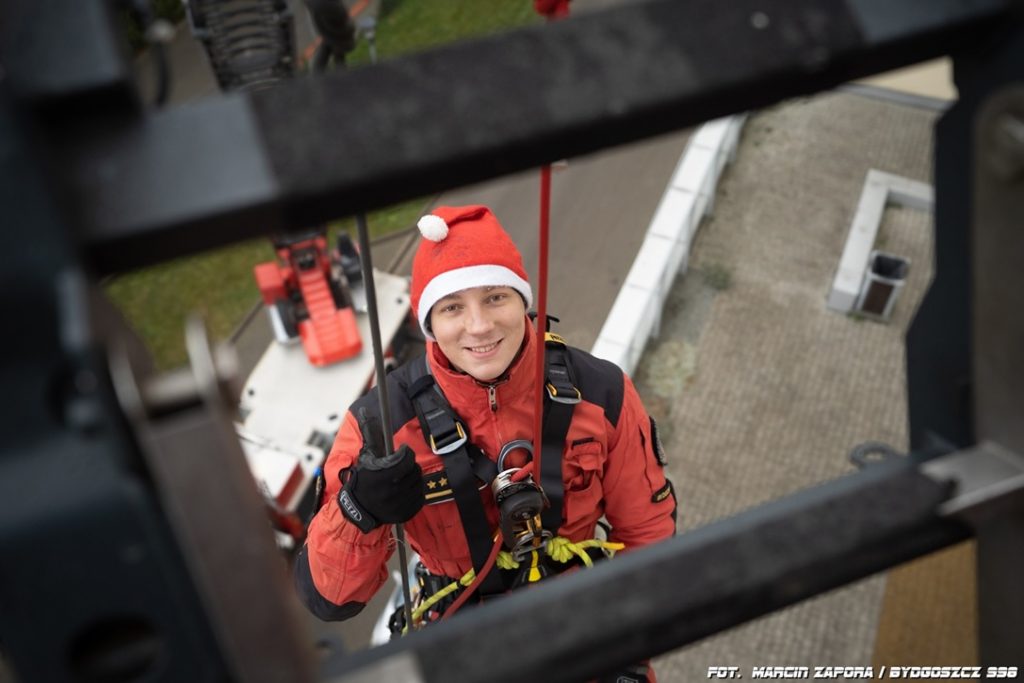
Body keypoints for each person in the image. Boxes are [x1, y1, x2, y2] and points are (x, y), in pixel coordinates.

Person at [294, 205, 676, 679]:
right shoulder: (381, 426)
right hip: (461, 640)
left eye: (496, 297)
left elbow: (647, 537)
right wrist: (359, 511)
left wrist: (625, 638)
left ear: (524, 303)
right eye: (452, 307)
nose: (479, 326)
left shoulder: (601, 393)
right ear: (430, 324)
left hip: (584, 623)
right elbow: (328, 600)